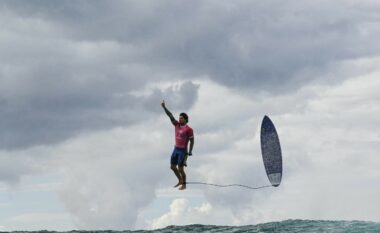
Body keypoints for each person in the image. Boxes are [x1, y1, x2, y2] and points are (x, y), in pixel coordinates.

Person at [161, 100, 194, 190]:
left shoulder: (189, 129)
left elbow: (192, 141)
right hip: (176, 149)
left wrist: (190, 151)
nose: (179, 119)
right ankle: (180, 180)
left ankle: (184, 185)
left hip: (183, 151)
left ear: (186, 120)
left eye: (182, 118)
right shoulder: (176, 125)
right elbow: (170, 116)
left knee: (181, 169)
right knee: (172, 167)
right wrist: (164, 107)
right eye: (179, 118)